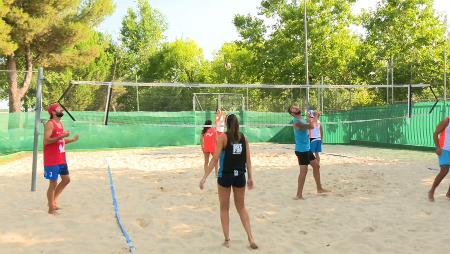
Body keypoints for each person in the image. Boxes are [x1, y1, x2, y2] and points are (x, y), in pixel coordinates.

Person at [199, 114, 257, 249]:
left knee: (224, 208)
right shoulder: (244, 138)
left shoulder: (223, 137)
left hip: (225, 176)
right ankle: (251, 237)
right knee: (241, 207)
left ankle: (227, 240)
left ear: (226, 123)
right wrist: (250, 177)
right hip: (240, 176)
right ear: (238, 124)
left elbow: (214, 160)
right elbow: (248, 160)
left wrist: (204, 177)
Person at [44, 103, 79, 215]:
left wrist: (72, 140)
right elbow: (46, 141)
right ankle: (51, 208)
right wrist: (62, 136)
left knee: (66, 180)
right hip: (52, 159)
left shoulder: (60, 124)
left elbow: (60, 141)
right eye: (59, 109)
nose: (62, 110)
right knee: (53, 184)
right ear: (53, 112)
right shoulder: (50, 124)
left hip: (61, 159)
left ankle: (52, 201)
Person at [288, 105, 329, 200]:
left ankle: (319, 188)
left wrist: (312, 116)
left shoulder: (301, 118)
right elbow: (311, 126)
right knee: (304, 172)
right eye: (293, 108)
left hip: (307, 148)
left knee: (316, 166)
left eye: (295, 106)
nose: (296, 107)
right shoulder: (296, 122)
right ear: (292, 113)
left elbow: (310, 123)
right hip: (301, 150)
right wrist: (315, 116)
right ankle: (298, 195)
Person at [428, 117, 450, 202]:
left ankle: (449, 193)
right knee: (444, 170)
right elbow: (435, 133)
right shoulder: (447, 121)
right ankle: (432, 191)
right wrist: (437, 147)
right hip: (444, 149)